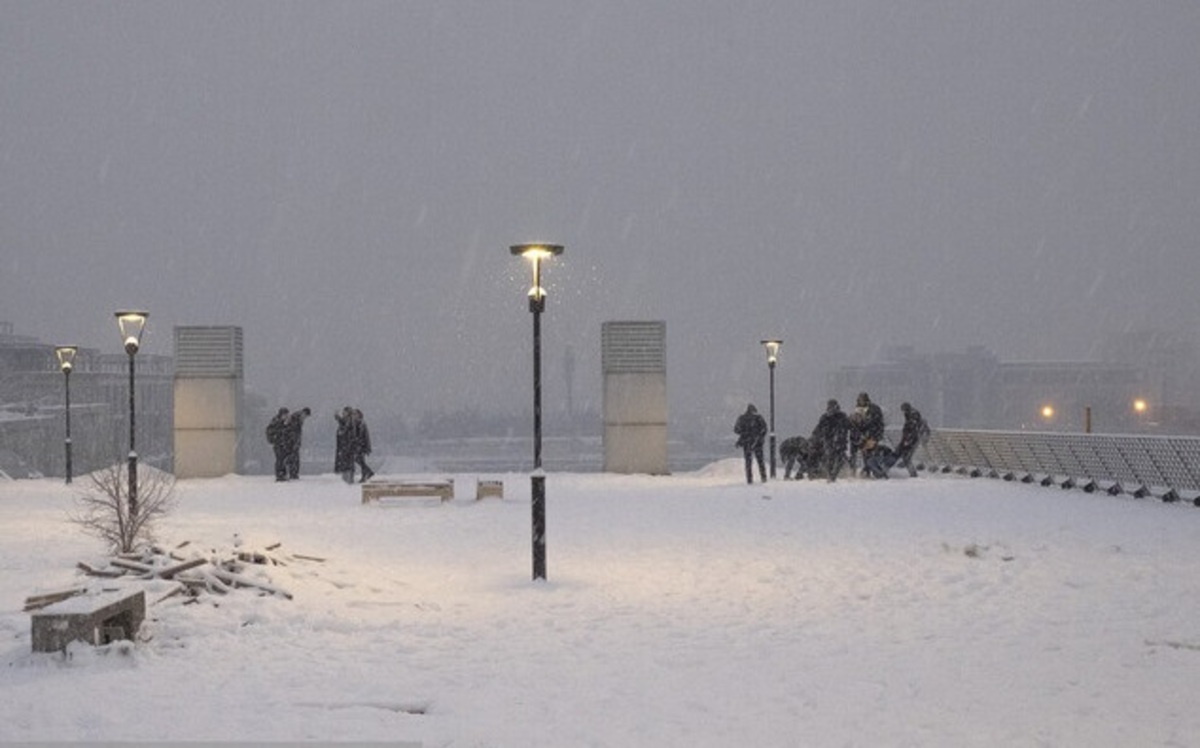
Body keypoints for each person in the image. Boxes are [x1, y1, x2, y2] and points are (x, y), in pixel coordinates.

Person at [813, 399, 852, 482]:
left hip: (836, 442)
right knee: (833, 459)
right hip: (833, 442)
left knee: (834, 459)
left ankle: (832, 475)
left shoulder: (839, 416)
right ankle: (832, 475)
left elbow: (818, 429)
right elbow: (818, 429)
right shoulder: (830, 417)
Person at [734, 403, 769, 484]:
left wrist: (744, 433)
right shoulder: (758, 418)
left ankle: (749, 479)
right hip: (757, 443)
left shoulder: (742, 418)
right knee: (760, 461)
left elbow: (736, 430)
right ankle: (763, 478)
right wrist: (759, 436)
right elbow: (764, 429)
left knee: (748, 462)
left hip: (747, 442)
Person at [895, 402, 930, 477]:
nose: (903, 412)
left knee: (907, 458)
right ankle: (912, 473)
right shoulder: (910, 414)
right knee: (905, 456)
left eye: (904, 410)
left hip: (914, 439)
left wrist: (908, 440)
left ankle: (913, 474)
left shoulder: (913, 414)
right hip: (912, 438)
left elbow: (913, 428)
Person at [854, 392, 886, 477]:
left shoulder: (874, 409)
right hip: (865, 435)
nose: (860, 402)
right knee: (866, 452)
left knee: (871, 453)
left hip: (873, 435)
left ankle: (876, 471)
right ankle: (869, 470)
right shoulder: (859, 409)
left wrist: (874, 435)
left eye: (862, 400)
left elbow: (875, 423)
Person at [283, 407, 311, 480]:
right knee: (293, 458)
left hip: (293, 442)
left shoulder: (296, 417)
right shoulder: (296, 418)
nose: (305, 418)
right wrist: (295, 442)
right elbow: (294, 432)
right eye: (306, 416)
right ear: (304, 413)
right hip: (291, 442)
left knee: (294, 458)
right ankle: (293, 473)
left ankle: (293, 473)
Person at [266, 407, 290, 482]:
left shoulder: (284, 421)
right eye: (285, 414)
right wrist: (273, 439)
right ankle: (280, 475)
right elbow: (270, 431)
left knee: (283, 459)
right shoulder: (276, 421)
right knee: (280, 459)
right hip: (278, 443)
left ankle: (283, 474)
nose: (286, 416)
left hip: (283, 443)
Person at [350, 408, 374, 483]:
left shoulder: (361, 423)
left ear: (359, 415)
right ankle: (366, 474)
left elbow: (364, 436)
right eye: (353, 414)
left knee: (359, 460)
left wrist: (365, 446)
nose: (354, 416)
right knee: (360, 461)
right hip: (358, 445)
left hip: (361, 446)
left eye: (355, 414)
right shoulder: (355, 423)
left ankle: (368, 473)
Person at [334, 407, 355, 483]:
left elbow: (345, 428)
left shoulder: (349, 420)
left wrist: (338, 418)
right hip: (345, 446)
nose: (343, 413)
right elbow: (342, 423)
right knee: (346, 464)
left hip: (347, 446)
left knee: (347, 464)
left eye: (344, 412)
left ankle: (348, 480)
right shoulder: (348, 420)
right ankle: (347, 480)